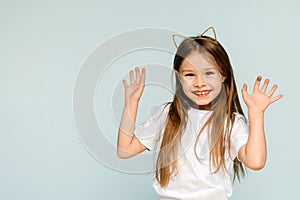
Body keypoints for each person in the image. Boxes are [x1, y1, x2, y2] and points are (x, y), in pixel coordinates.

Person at [117, 27, 283, 200]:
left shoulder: (231, 123)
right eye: (190, 74)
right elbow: (125, 150)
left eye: (209, 73)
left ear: (223, 75)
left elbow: (255, 162)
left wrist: (256, 115)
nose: (200, 83)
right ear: (179, 78)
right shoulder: (168, 115)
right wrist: (131, 104)